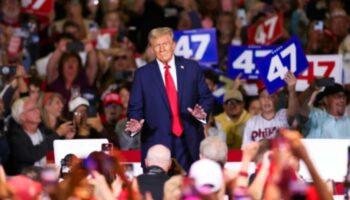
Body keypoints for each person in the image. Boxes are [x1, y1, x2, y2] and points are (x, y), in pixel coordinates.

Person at [126, 27, 213, 171]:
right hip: (156, 145)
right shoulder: (142, 75)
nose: (162, 49)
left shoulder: (192, 68)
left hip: (189, 141)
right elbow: (135, 108)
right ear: (152, 49)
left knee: (190, 190)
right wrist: (135, 124)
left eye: (165, 44)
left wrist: (202, 114)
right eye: (157, 46)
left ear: (173, 44)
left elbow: (206, 97)